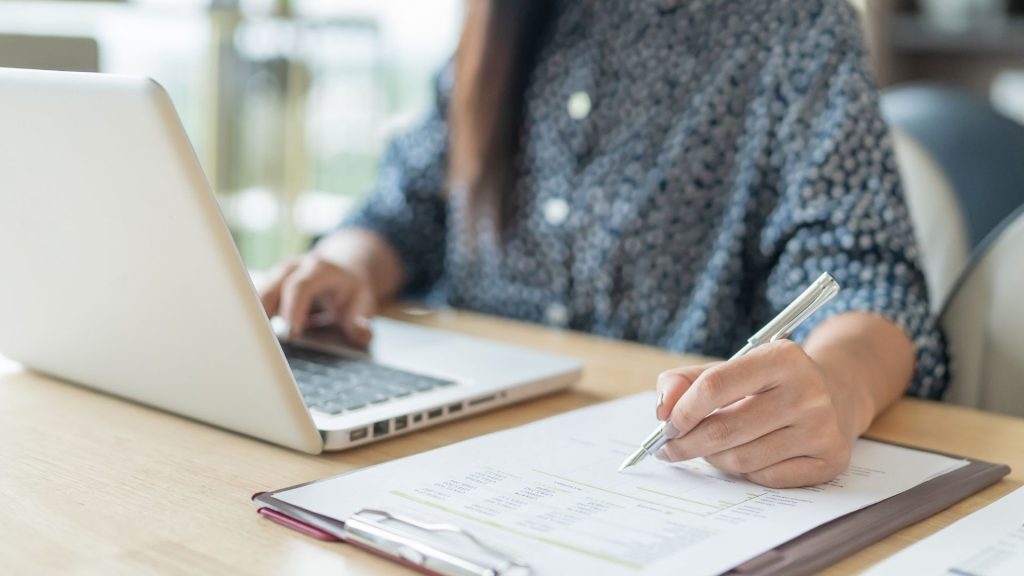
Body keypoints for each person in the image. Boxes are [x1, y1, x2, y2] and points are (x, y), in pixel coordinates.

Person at [259, 0, 948, 488]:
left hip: (675, 469)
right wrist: (345, 265)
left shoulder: (793, 25)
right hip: (451, 447)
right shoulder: (502, 19)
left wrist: (838, 387)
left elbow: (870, 281)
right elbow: (404, 208)